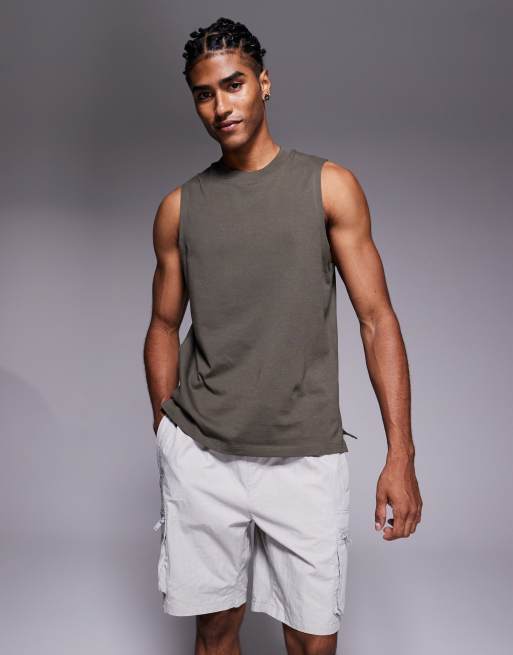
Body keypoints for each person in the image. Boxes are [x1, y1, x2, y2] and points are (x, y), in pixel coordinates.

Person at [143, 16, 422, 655]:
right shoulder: (179, 208)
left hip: (304, 457)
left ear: (264, 83)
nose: (221, 106)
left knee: (313, 640)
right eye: (204, 94)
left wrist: (400, 454)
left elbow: (377, 318)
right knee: (215, 632)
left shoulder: (329, 186)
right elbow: (162, 325)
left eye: (234, 85)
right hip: (203, 456)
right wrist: (165, 430)